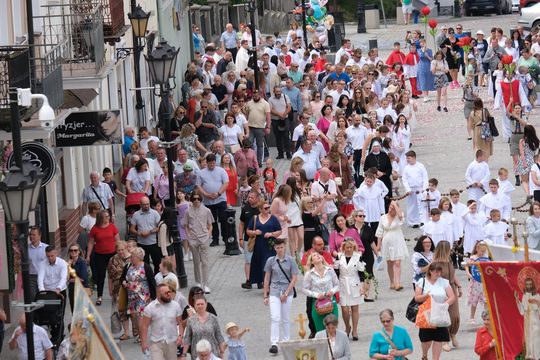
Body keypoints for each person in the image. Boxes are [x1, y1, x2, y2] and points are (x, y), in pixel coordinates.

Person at [263, 238, 299, 354]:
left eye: (281, 247)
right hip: (274, 291)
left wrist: (286, 293)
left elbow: (294, 278)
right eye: (277, 248)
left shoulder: (290, 260)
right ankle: (274, 343)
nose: (280, 250)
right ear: (275, 248)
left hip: (287, 291)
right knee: (275, 317)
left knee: (285, 318)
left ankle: (286, 341)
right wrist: (265, 295)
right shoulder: (271, 260)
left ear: (285, 247)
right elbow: (267, 278)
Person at [415, 263, 456, 360]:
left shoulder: (444, 282)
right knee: (426, 340)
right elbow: (417, 298)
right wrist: (426, 296)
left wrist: (445, 304)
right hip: (427, 313)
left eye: (440, 271)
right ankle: (424, 355)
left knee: (438, 339)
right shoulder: (422, 281)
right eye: (436, 271)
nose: (438, 274)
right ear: (430, 271)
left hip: (440, 312)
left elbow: (452, 296)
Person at [122, 246, 157, 343]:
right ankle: (141, 335)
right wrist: (124, 282)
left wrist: (154, 297)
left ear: (138, 257)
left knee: (141, 317)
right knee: (135, 318)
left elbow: (152, 282)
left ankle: (143, 337)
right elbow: (122, 278)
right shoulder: (128, 266)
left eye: (132, 256)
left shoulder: (146, 267)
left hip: (143, 297)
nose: (131, 257)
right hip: (131, 297)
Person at [433, 241, 463, 351]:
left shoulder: (449, 259)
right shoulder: (436, 263)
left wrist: (459, 286)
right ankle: (444, 340)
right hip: (442, 290)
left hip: (452, 288)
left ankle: (453, 334)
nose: (451, 250)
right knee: (443, 315)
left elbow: (453, 274)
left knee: (455, 315)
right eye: (449, 248)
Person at [139, 283, 182, 359]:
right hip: (156, 343)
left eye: (169, 291)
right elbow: (144, 326)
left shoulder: (176, 306)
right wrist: (144, 343)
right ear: (158, 294)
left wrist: (180, 336)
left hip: (172, 342)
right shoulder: (150, 308)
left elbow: (180, 323)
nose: (169, 294)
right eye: (166, 293)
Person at [334, 238, 365, 340]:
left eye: (351, 247)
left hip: (354, 283)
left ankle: (355, 330)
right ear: (344, 247)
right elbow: (336, 272)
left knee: (355, 308)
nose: (349, 249)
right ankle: (347, 326)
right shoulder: (339, 256)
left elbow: (361, 273)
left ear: (354, 247)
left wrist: (362, 286)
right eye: (347, 247)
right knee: (345, 309)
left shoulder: (358, 257)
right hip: (343, 284)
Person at [183, 191, 214, 293]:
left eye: (198, 199)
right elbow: (185, 224)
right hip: (193, 238)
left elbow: (210, 225)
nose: (196, 201)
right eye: (194, 199)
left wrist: (208, 234)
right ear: (192, 200)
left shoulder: (206, 210)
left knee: (204, 262)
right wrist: (188, 235)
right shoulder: (188, 211)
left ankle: (206, 284)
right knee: (196, 261)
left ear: (201, 200)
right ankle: (198, 281)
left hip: (203, 237)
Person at [246, 200, 282, 288]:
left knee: (268, 264)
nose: (268, 209)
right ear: (260, 209)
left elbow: (279, 230)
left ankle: (269, 285)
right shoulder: (255, 218)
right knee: (260, 264)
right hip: (258, 245)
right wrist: (255, 232)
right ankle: (263, 283)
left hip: (270, 245)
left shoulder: (273, 218)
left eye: (268, 207)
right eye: (266, 208)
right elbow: (248, 231)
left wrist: (271, 234)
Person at [86, 209, 119, 305]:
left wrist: (120, 253)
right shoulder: (95, 229)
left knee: (114, 275)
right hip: (99, 255)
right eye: (106, 216)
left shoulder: (112, 227)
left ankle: (114, 295)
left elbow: (118, 241)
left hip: (112, 254)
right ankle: (99, 296)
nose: (108, 218)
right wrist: (88, 255)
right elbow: (91, 242)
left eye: (108, 216)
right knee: (101, 275)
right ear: (101, 218)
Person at [197, 153, 229, 247]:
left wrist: (219, 193)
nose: (211, 165)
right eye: (210, 163)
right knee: (212, 220)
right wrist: (206, 194)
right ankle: (215, 238)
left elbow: (226, 183)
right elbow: (199, 186)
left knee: (223, 218)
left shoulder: (221, 171)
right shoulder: (201, 173)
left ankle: (225, 237)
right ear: (206, 163)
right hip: (208, 201)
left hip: (221, 199)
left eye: (213, 163)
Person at [302, 252, 340, 332]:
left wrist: (332, 291)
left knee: (333, 328)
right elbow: (304, 289)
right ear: (312, 262)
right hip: (317, 303)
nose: (318, 255)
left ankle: (333, 344)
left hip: (331, 302)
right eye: (314, 255)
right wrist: (316, 295)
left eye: (319, 255)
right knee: (321, 331)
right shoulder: (309, 274)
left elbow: (337, 285)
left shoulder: (330, 270)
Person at [375, 201, 409, 291]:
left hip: (397, 241)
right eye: (390, 207)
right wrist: (378, 245)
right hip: (386, 242)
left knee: (397, 262)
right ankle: (392, 282)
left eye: (393, 208)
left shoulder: (398, 216)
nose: (390, 210)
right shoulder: (383, 218)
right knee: (389, 263)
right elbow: (379, 232)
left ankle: (398, 283)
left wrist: (395, 205)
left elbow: (401, 216)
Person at [181, 294, 226, 359]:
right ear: (194, 305)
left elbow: (219, 336)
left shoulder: (213, 318)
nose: (200, 306)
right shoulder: (191, 320)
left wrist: (222, 352)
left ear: (206, 304)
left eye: (202, 304)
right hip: (197, 354)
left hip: (212, 352)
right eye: (198, 304)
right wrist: (184, 354)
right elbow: (187, 338)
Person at [107, 240, 133, 340]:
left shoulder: (132, 258)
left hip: (131, 288)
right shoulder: (112, 259)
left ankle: (136, 331)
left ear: (126, 248)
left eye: (122, 249)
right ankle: (126, 332)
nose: (120, 252)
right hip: (117, 289)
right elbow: (109, 275)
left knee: (133, 310)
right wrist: (110, 289)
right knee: (121, 310)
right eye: (118, 250)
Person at [130, 196, 163, 271]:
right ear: (140, 205)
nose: (146, 206)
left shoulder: (155, 213)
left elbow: (160, 227)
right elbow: (131, 229)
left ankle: (156, 279)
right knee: (144, 265)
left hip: (154, 242)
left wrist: (150, 232)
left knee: (157, 263)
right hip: (141, 243)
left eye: (148, 204)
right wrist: (139, 233)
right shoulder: (136, 214)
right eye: (144, 204)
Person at [402, 150, 429, 228]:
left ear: (414, 157)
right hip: (411, 189)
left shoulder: (420, 166)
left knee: (421, 205)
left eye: (409, 158)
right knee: (411, 205)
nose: (407, 160)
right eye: (407, 158)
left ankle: (421, 220)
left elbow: (425, 177)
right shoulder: (406, 168)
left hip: (420, 188)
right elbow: (405, 179)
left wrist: (424, 188)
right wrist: (408, 189)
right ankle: (413, 222)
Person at [515, 277, 540, 360]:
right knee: (528, 337)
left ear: (533, 285)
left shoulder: (537, 296)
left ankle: (537, 356)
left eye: (530, 284)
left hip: (535, 319)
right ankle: (529, 356)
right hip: (527, 319)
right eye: (527, 284)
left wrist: (537, 303)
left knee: (535, 337)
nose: (528, 286)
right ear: (525, 286)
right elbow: (522, 311)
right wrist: (517, 300)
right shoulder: (524, 296)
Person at [67, 244, 89, 313]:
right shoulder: (69, 263)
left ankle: (81, 323)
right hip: (72, 289)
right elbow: (66, 278)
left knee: (82, 310)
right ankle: (75, 323)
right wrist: (68, 266)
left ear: (79, 251)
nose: (73, 252)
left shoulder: (82, 263)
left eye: (75, 250)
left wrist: (71, 280)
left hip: (81, 288)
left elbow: (83, 278)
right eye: (71, 250)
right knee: (73, 309)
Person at [28, 226, 47, 301]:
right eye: (30, 234)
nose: (31, 236)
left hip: (43, 277)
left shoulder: (46, 248)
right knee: (33, 298)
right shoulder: (26, 249)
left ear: (39, 235)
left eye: (34, 235)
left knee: (43, 297)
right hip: (31, 278)